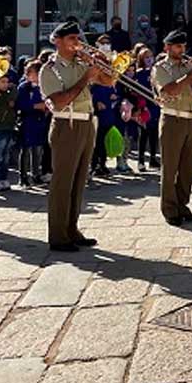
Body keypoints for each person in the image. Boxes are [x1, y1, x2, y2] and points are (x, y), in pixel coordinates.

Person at [40, 21, 114, 252]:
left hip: (86, 122)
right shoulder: (49, 69)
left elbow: (110, 81)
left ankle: (72, 229)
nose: (77, 43)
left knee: (80, 180)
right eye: (71, 38)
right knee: (63, 182)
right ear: (57, 41)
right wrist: (86, 77)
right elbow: (59, 102)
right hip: (66, 123)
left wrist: (103, 64)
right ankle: (58, 235)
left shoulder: (81, 63)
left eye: (77, 38)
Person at [151, 30, 192, 226]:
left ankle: (182, 205)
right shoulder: (160, 68)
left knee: (187, 167)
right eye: (177, 46)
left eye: (183, 46)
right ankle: (169, 209)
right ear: (167, 47)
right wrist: (191, 73)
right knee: (170, 167)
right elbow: (171, 90)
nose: (182, 50)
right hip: (172, 118)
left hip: (191, 118)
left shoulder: (187, 65)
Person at [15, 62, 50, 187]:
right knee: (25, 149)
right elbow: (20, 104)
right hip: (27, 121)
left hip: (40, 121)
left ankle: (36, 174)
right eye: (28, 72)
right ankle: (23, 176)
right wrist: (35, 106)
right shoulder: (24, 87)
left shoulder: (44, 86)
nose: (28, 74)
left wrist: (46, 107)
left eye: (31, 72)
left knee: (38, 149)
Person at [131, 47, 160, 171]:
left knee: (154, 133)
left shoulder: (156, 71)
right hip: (144, 106)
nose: (149, 59)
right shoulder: (139, 74)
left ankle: (153, 158)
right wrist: (140, 107)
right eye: (146, 57)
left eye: (150, 56)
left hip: (155, 106)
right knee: (143, 134)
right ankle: (141, 160)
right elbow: (137, 92)